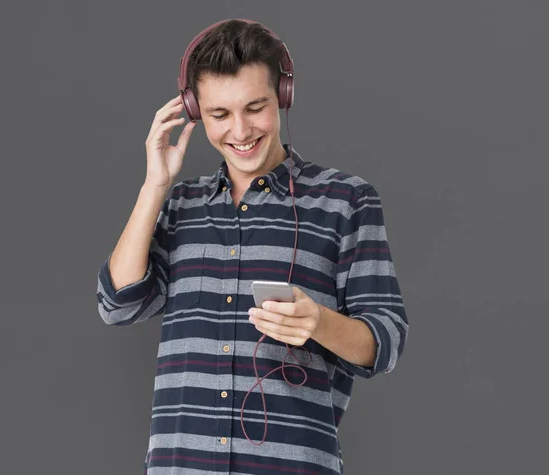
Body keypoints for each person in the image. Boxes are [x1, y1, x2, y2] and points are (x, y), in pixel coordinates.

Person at [96, 18, 409, 475]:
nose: (240, 131)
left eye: (256, 107)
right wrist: (154, 186)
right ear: (196, 111)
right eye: (220, 115)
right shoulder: (179, 205)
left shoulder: (346, 201)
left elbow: (386, 340)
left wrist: (318, 322)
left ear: (283, 98)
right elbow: (117, 303)